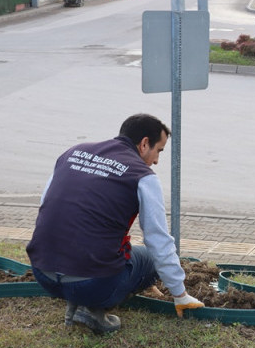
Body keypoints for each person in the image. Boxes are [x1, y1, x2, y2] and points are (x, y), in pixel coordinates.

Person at [26, 114, 204, 334]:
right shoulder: (143, 176)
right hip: (92, 284)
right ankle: (92, 309)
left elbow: (46, 206)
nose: (157, 160)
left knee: (105, 254)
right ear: (144, 144)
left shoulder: (72, 153)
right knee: (149, 260)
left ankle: (77, 299)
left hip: (43, 275)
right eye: (159, 151)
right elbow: (158, 241)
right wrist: (180, 295)